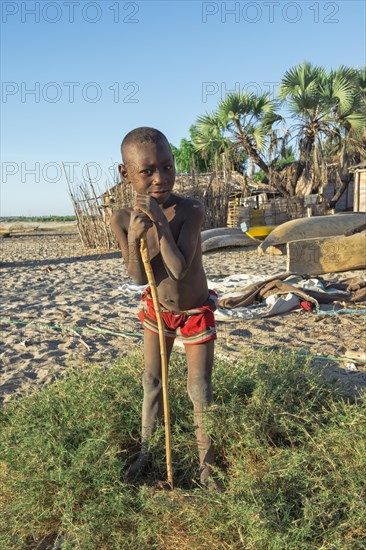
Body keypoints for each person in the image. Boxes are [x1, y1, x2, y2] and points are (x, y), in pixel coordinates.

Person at [110, 127, 217, 488]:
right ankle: (146, 453)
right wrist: (137, 235)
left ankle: (207, 469)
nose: (161, 178)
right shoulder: (122, 219)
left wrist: (158, 222)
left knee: (199, 386)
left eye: (168, 167)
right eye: (148, 171)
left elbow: (177, 267)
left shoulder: (191, 209)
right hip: (157, 310)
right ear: (126, 174)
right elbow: (138, 276)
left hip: (194, 311)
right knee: (152, 381)